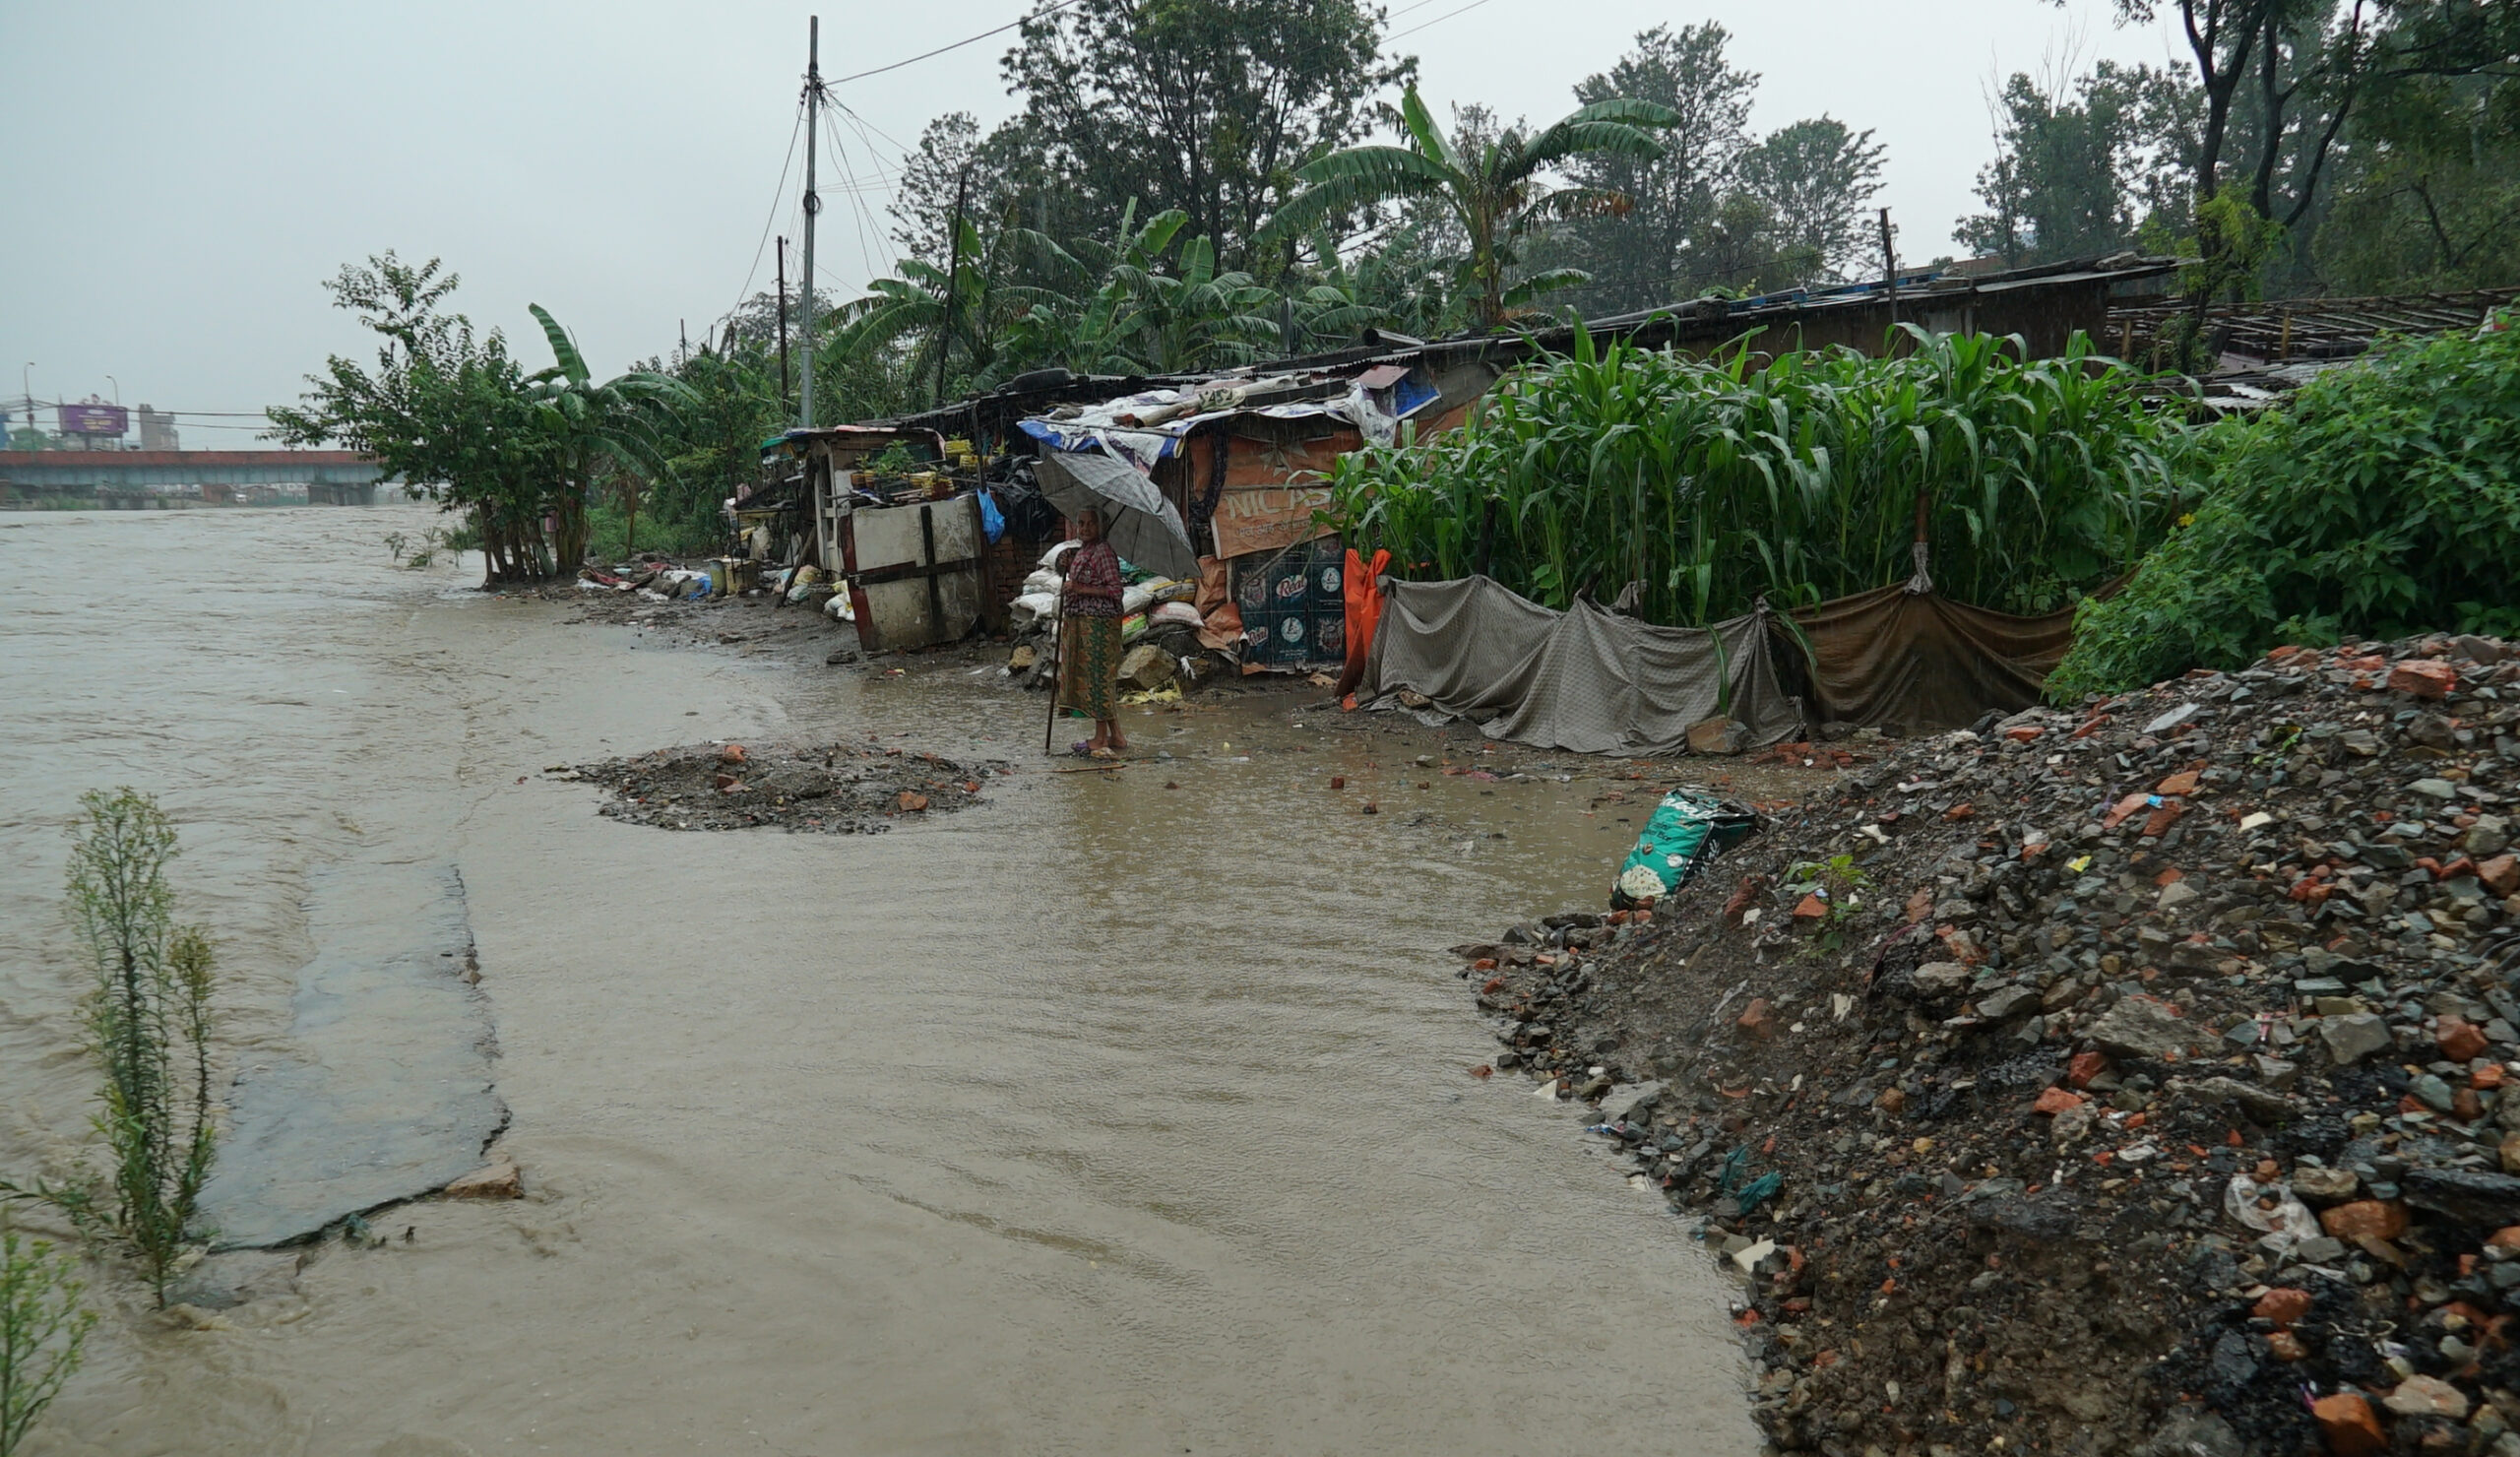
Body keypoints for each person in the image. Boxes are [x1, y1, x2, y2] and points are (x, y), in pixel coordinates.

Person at [1055, 510, 1131, 757]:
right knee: (1095, 677)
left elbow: (1115, 590)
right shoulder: (1086, 550)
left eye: (1090, 523)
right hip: (1084, 622)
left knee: (1099, 678)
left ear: (1101, 526)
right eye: (1081, 523)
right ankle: (1116, 735)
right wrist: (1067, 564)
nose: (1085, 528)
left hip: (1100, 624)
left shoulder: (1103, 552)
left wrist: (1080, 588)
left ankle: (1100, 739)